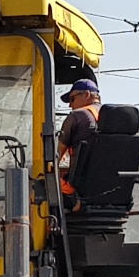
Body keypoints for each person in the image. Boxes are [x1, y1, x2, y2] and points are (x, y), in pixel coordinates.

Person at [56, 79, 102, 211]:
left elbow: (54, 157)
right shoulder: (116, 119)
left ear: (87, 94)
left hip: (78, 193)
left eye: (72, 99)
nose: (70, 105)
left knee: (35, 186)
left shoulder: (77, 116)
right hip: (113, 191)